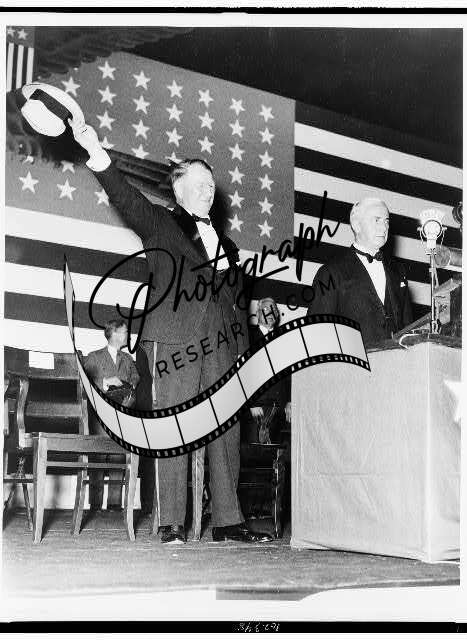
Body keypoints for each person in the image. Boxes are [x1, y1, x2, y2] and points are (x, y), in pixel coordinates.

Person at [70, 118, 272, 545]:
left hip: (223, 347)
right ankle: (171, 520)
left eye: (211, 184)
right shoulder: (162, 224)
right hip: (173, 340)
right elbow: (125, 197)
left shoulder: (229, 247)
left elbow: (237, 305)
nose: (208, 190)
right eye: (198, 184)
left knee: (226, 431)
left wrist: (243, 352)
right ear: (179, 191)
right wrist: (96, 152)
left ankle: (228, 520)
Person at [306, 198, 413, 343]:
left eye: (386, 221)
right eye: (377, 220)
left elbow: (408, 330)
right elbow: (317, 334)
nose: (384, 228)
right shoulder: (330, 272)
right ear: (356, 225)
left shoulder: (398, 272)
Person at [84, 319, 140, 511]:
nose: (128, 335)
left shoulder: (128, 359)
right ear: (114, 334)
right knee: (98, 455)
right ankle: (95, 504)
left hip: (122, 412)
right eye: (125, 332)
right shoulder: (94, 357)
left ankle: (114, 503)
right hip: (100, 414)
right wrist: (106, 382)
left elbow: (135, 378)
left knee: (118, 456)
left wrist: (130, 388)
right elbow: (84, 380)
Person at [244, 298, 291, 445]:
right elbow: (243, 373)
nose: (270, 313)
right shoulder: (247, 336)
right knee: (254, 454)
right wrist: (252, 403)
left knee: (277, 455)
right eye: (265, 309)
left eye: (274, 309)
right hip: (257, 409)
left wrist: (290, 401)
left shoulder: (284, 339)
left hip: (279, 410)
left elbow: (288, 374)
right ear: (257, 314)